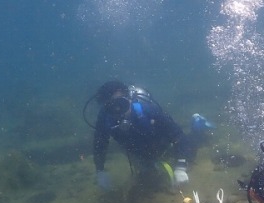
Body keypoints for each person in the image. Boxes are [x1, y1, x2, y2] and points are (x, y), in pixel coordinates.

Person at [84, 80, 214, 192]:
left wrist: (181, 167)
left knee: (191, 149)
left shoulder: (147, 110)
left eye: (121, 104)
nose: (117, 111)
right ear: (105, 107)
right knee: (149, 180)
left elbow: (178, 136)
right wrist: (100, 171)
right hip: (142, 153)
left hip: (166, 144)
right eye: (111, 107)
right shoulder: (105, 119)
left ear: (129, 99)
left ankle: (197, 125)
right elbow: (100, 145)